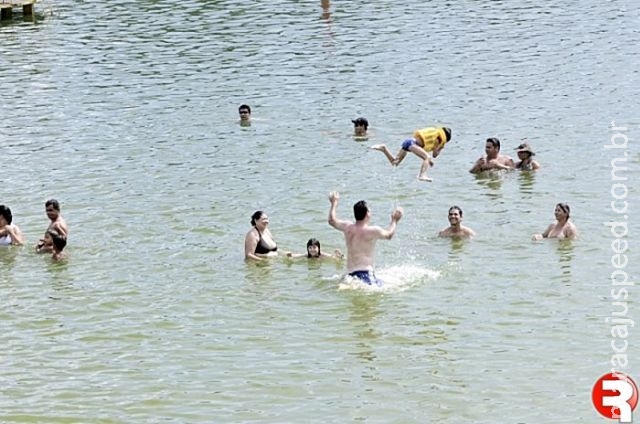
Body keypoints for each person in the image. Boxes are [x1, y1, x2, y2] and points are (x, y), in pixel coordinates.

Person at [328, 191, 403, 286]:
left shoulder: (347, 227)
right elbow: (389, 235)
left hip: (349, 274)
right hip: (364, 274)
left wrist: (334, 203)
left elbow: (331, 221)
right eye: (370, 210)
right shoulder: (372, 230)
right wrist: (394, 221)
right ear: (367, 214)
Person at [370, 126, 452, 182]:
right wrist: (440, 148)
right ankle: (422, 175)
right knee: (427, 157)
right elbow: (434, 154)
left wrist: (429, 161)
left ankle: (384, 149)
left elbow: (423, 151)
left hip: (408, 142)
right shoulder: (439, 139)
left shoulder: (436, 135)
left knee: (395, 162)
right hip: (412, 143)